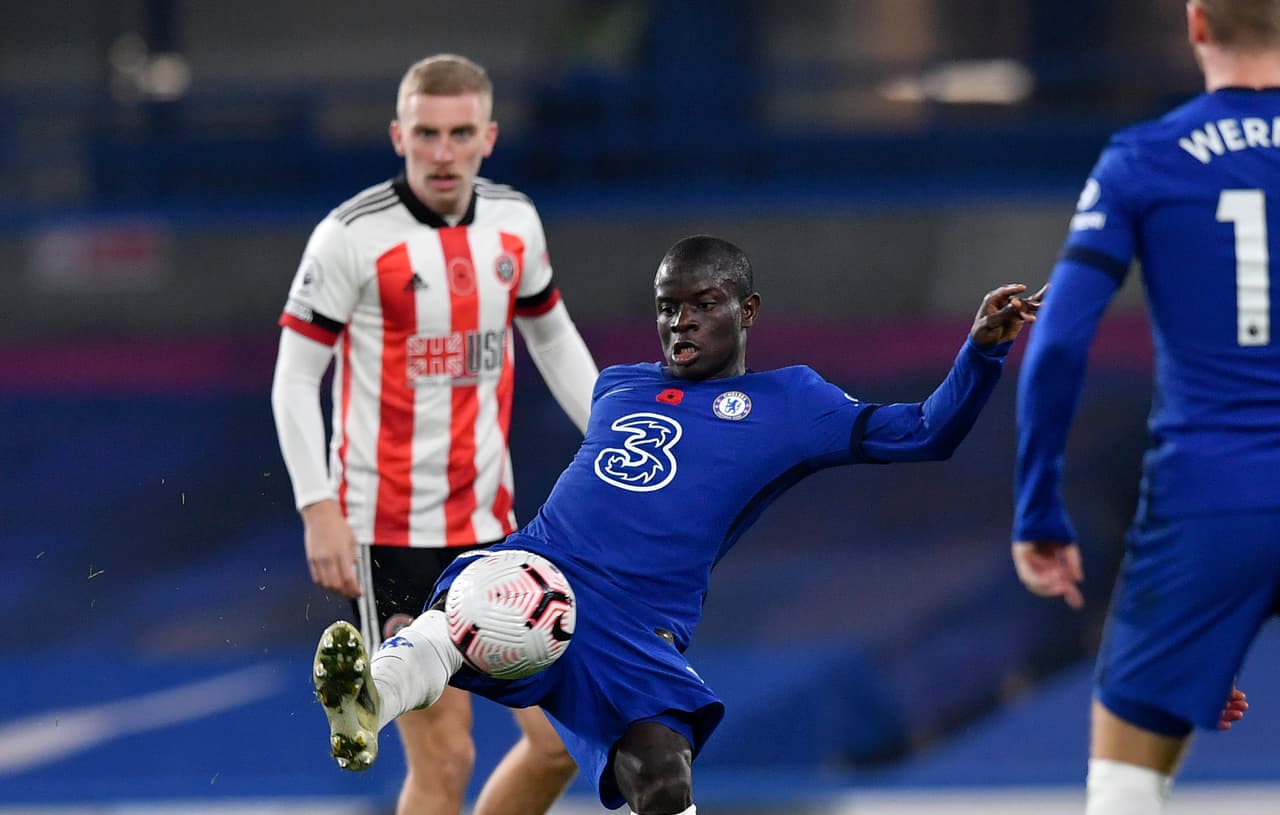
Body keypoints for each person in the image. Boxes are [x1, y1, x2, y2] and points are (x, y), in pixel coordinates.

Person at [310, 234, 1045, 814]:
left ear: (747, 311)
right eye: (666, 305)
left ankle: (383, 685)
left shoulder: (792, 402)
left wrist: (982, 350)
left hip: (634, 625)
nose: (679, 320)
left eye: (702, 303)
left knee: (662, 778)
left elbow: (925, 431)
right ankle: (369, 699)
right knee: (461, 609)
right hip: (540, 567)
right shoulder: (619, 385)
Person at [271, 54, 595, 815]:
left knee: (558, 746)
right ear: (397, 136)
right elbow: (293, 377)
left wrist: (609, 437)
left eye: (458, 134)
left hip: (494, 529)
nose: (442, 152)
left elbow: (551, 336)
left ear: (489, 136)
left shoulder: (515, 222)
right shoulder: (349, 236)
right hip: (388, 535)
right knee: (446, 759)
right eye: (426, 134)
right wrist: (317, 504)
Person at [1009, 2, 1277, 812]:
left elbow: (1056, 343)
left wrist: (1039, 507)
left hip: (1209, 500)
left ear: (1197, 24)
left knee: (1125, 784)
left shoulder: (1144, 159)